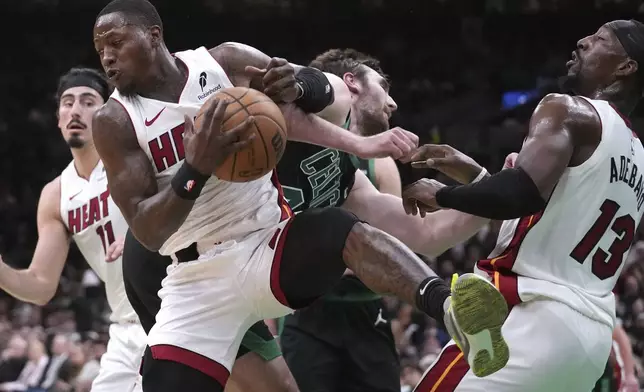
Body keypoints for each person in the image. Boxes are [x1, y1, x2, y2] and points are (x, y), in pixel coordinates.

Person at [91, 1, 509, 391]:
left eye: (116, 43)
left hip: (266, 245)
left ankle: (453, 309)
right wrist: (196, 167)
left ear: (154, 34)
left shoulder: (223, 62)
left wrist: (297, 86)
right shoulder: (115, 121)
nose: (106, 57)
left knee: (337, 227)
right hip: (191, 276)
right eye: (100, 48)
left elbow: (308, 93)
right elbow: (148, 230)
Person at [404, 20, 644, 392]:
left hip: (531, 317)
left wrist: (442, 195)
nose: (581, 42)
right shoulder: (637, 155)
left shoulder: (570, 110)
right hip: (589, 343)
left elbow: (520, 193)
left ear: (626, 66)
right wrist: (475, 173)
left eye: (598, 40)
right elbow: (552, 214)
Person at [0, 67, 146, 392]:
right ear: (58, 118)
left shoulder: (139, 156)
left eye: (87, 101)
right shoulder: (56, 194)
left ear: (108, 113)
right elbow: (40, 286)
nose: (75, 110)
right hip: (125, 325)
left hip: (174, 306)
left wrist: (142, 235)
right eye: (67, 103)